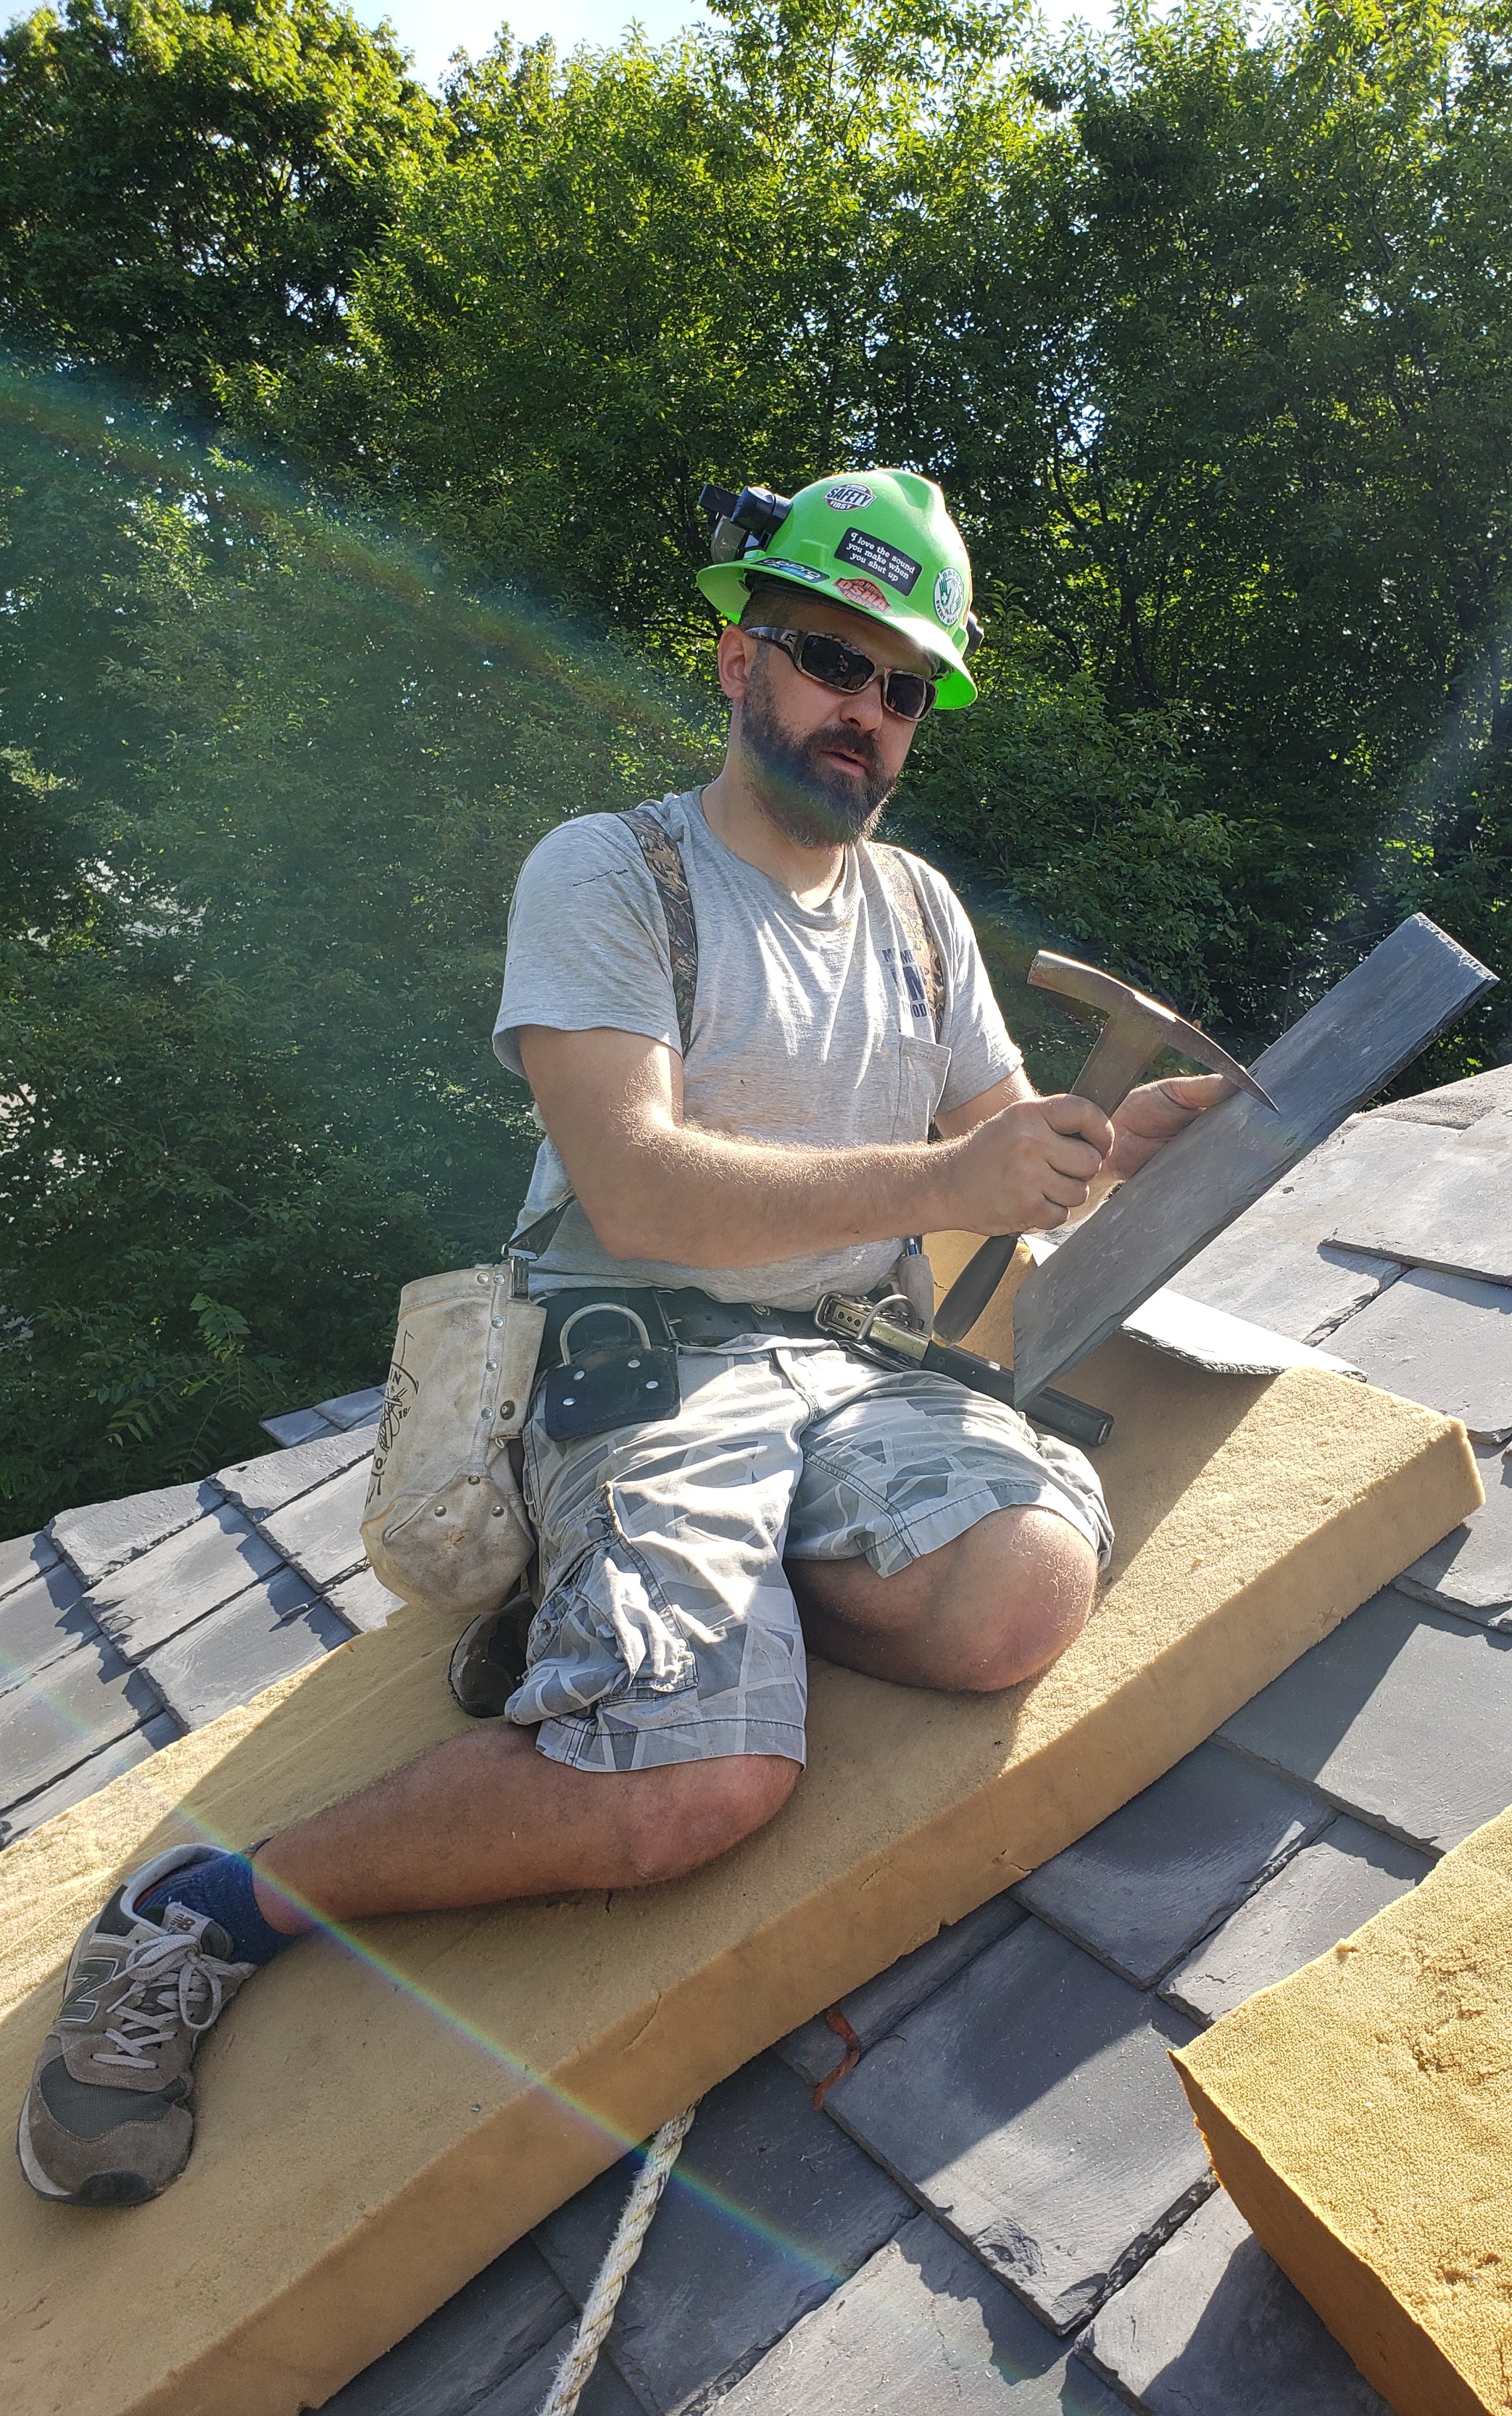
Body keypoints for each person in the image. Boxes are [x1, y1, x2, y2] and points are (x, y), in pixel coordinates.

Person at [18, 470, 1228, 2209]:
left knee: (1019, 1594)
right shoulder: (613, 872)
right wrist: (948, 1174)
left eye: (902, 688)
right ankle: (211, 1904)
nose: (866, 710)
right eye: (832, 659)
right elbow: (640, 1188)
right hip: (629, 1336)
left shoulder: (916, 914)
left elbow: (996, 1161)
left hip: (845, 1354)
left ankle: (613, 1608)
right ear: (738, 657)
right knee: (695, 1782)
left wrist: (1113, 1154)